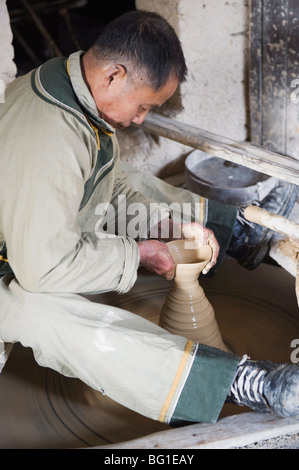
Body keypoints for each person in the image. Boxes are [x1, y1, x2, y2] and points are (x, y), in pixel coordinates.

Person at [0, 10, 298, 427]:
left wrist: (172, 229)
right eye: (142, 106)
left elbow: (111, 189)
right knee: (45, 312)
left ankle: (243, 235)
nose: (141, 119)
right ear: (113, 75)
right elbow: (43, 269)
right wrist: (140, 255)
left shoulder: (69, 83)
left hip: (24, 230)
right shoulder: (50, 139)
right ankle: (244, 382)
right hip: (11, 266)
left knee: (131, 180)